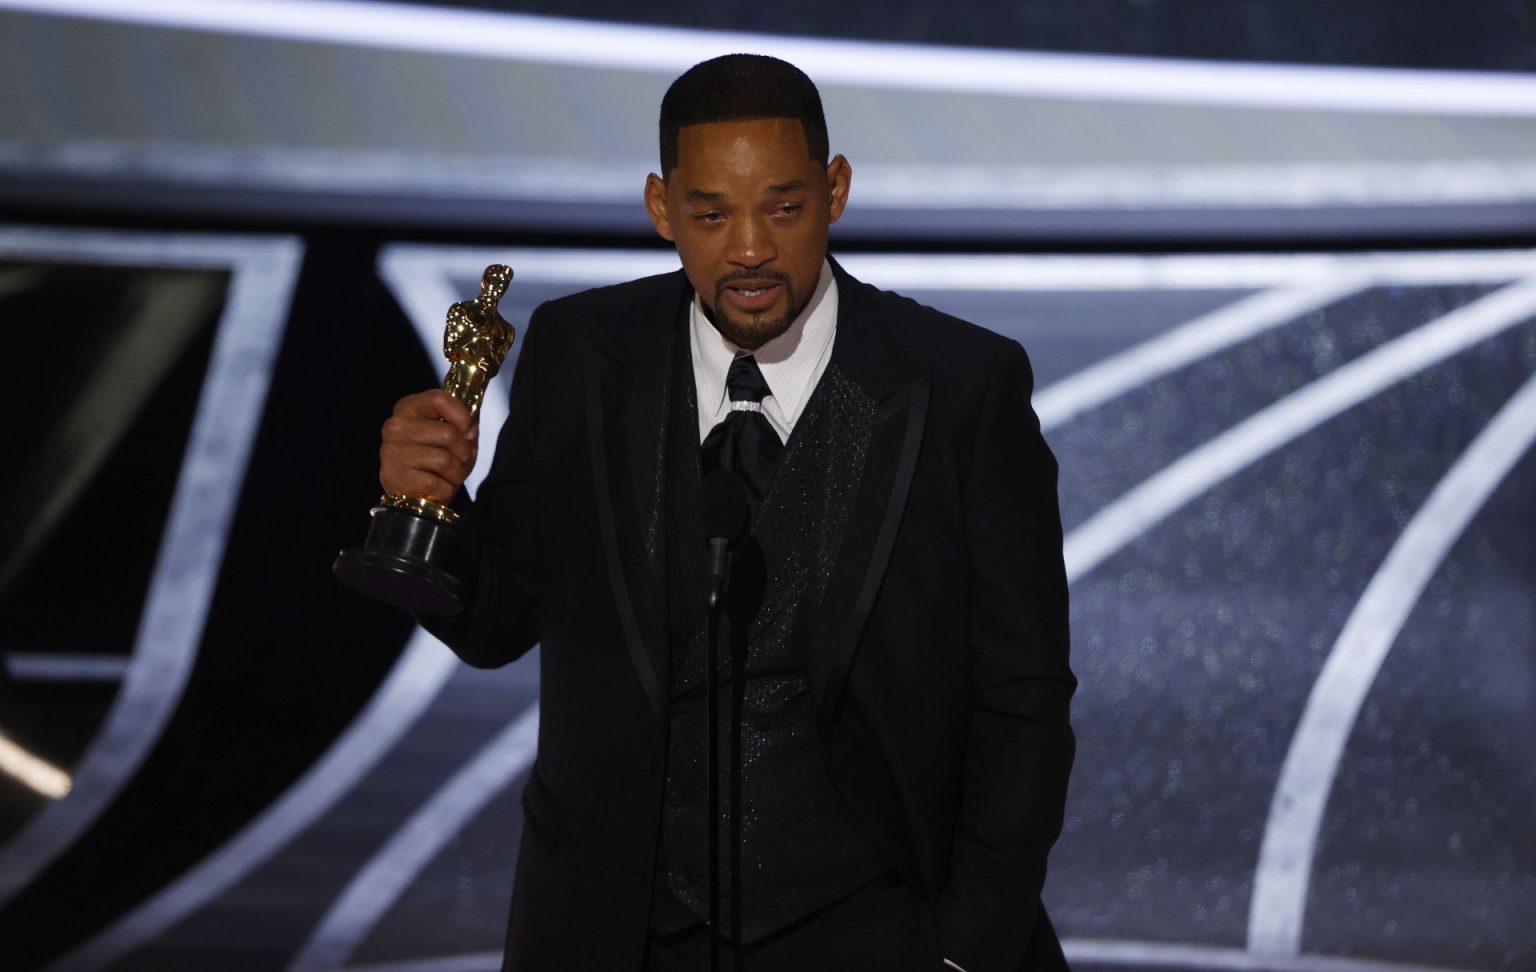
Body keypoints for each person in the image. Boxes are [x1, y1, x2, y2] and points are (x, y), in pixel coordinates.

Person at [378, 54, 1075, 972]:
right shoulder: (580, 354)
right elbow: (499, 620)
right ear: (662, 208)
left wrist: (966, 948)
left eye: (783, 209)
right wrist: (430, 509)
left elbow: (1024, 695)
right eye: (711, 215)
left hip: (878, 934)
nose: (749, 249)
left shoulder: (961, 386)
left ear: (835, 191)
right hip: (618, 935)